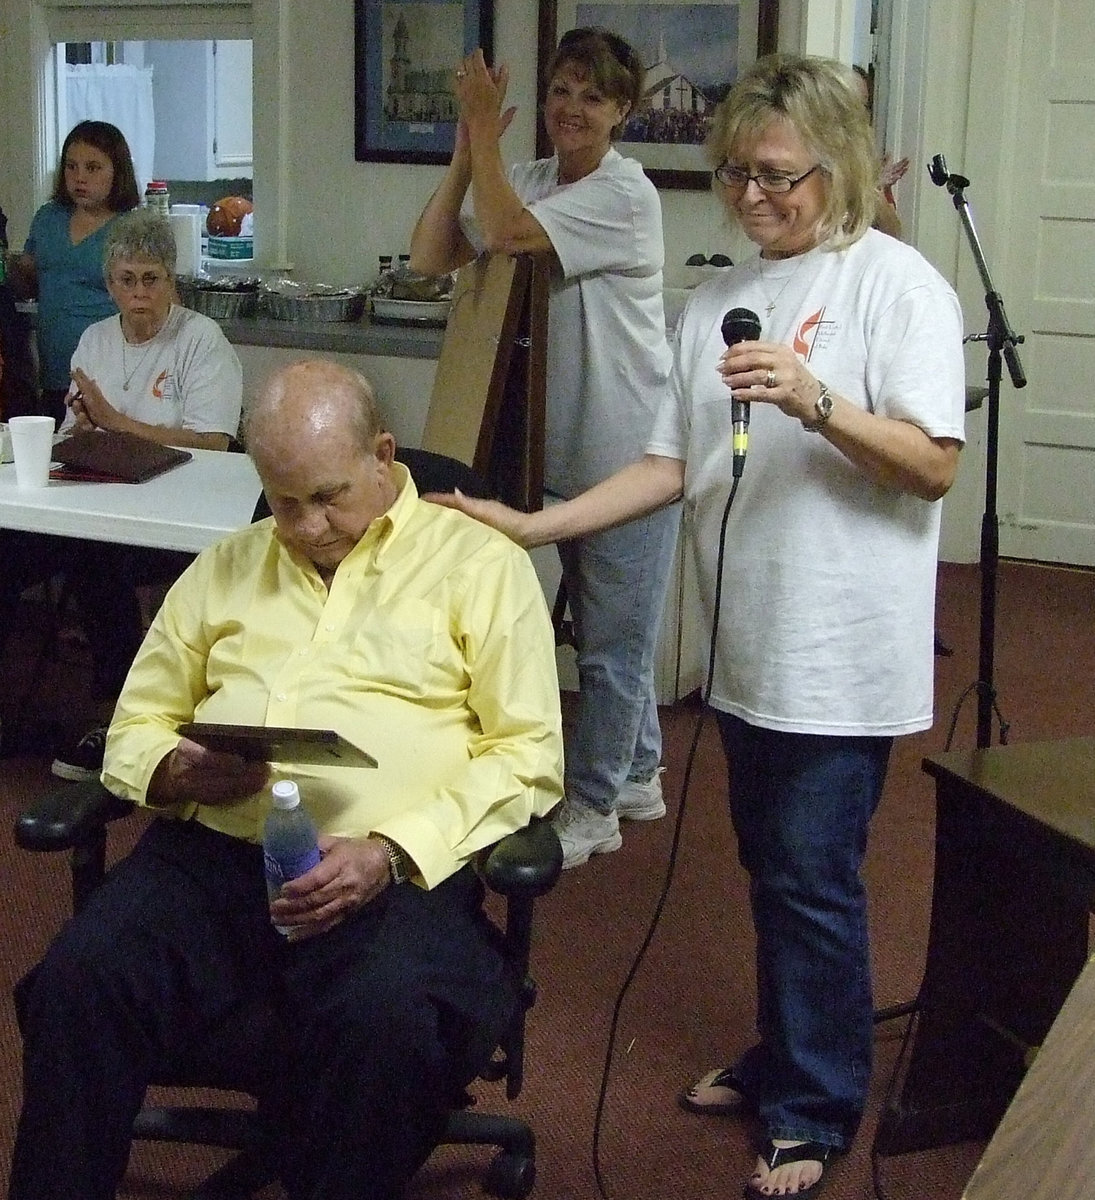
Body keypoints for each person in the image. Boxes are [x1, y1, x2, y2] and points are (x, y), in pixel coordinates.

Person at [429, 54, 966, 1200]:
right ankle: (786, 1059)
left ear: (842, 166)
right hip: (751, 649)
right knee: (774, 870)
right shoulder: (719, 299)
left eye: (777, 176)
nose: (751, 196)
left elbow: (931, 467)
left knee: (814, 878)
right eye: (734, 174)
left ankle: (815, 1110)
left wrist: (818, 402)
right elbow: (670, 463)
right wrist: (537, 525)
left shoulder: (897, 284)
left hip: (840, 656)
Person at [8, 358, 565, 1200]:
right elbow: (135, 724)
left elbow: (526, 754)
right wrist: (176, 770)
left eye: (329, 496)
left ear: (383, 454)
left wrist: (391, 848)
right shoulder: (226, 566)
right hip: (214, 856)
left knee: (387, 1023)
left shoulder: (479, 567)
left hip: (390, 879)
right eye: (283, 500)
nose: (306, 526)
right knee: (81, 982)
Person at [409, 28, 681, 870]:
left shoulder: (625, 194)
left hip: (629, 451)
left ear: (622, 113)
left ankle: (593, 805)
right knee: (591, 628)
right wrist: (464, 150)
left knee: (611, 642)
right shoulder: (521, 178)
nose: (570, 108)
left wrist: (486, 144)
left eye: (592, 97)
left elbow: (510, 234)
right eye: (561, 89)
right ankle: (635, 772)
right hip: (546, 448)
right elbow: (428, 256)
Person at [0, 207, 242, 779]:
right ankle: (13, 708)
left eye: (151, 279)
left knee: (96, 559)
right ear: (109, 285)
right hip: (96, 503)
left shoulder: (202, 341)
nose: (139, 293)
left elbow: (215, 442)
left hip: (178, 515)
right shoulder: (95, 339)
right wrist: (84, 426)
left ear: (171, 282)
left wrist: (113, 420)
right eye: (127, 280)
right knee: (10, 553)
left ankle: (113, 714)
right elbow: (72, 432)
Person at [5, 121, 140, 423]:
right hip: (53, 371)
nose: (79, 177)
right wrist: (18, 267)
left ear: (117, 172)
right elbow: (28, 286)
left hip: (110, 375)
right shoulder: (48, 218)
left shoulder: (131, 228)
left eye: (92, 168)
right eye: (71, 167)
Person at [851, 64, 909, 239]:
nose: (855, 114)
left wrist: (873, 188)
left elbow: (894, 234)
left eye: (862, 106)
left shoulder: (867, 159)